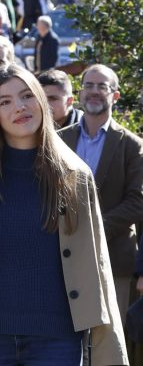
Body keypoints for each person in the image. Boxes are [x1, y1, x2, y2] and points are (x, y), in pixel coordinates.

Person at [0, 64, 128, 365]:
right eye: (5, 101)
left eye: (27, 96)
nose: (20, 107)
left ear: (41, 100)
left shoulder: (74, 174)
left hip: (57, 338)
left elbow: (96, 265)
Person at [58, 64, 143, 329]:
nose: (94, 92)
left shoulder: (132, 145)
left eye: (102, 86)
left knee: (108, 339)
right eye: (89, 85)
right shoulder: (58, 140)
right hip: (62, 258)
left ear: (115, 96)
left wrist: (93, 228)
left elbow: (137, 201)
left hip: (113, 258)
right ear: (80, 93)